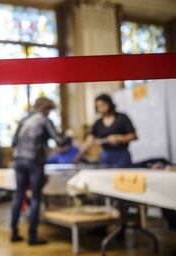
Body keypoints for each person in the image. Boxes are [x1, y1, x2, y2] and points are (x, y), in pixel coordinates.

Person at [11, 97, 68, 245]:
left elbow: (13, 142)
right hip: (34, 161)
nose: (49, 113)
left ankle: (14, 232)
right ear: (44, 108)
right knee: (36, 197)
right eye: (49, 110)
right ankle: (32, 236)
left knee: (19, 195)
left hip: (18, 160)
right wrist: (68, 135)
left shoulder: (24, 120)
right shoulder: (44, 121)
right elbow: (59, 141)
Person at [74, 94, 137, 168]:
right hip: (106, 155)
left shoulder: (122, 117)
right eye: (98, 106)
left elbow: (133, 136)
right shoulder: (98, 123)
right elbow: (89, 141)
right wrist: (78, 156)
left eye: (103, 104)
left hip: (122, 154)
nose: (101, 108)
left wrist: (119, 138)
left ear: (109, 104)